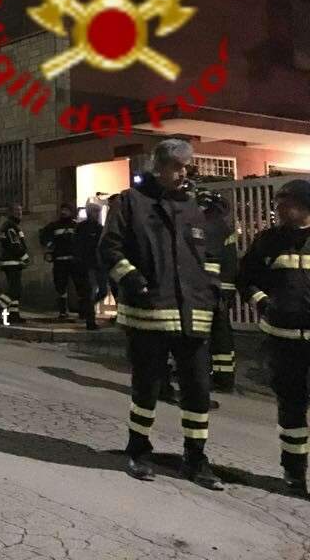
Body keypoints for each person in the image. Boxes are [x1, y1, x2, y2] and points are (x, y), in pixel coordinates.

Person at [99, 139, 222, 489]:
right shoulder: (131, 202)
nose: (183, 173)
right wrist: (133, 280)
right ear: (159, 167)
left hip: (193, 314)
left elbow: (210, 255)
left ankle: (196, 459)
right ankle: (139, 450)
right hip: (149, 313)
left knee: (198, 389)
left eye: (186, 167)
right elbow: (109, 248)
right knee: (147, 388)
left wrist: (210, 290)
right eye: (176, 167)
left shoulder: (194, 207)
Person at [237, 179, 310, 496]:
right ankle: (294, 474)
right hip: (282, 341)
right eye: (278, 203)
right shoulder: (267, 241)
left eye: (286, 203)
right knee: (291, 408)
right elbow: (245, 279)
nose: (279, 208)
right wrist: (263, 303)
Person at [196, 188, 237, 393]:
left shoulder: (200, 224)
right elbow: (230, 261)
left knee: (204, 333)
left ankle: (207, 373)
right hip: (220, 289)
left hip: (203, 290)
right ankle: (224, 376)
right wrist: (227, 290)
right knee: (221, 332)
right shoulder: (224, 227)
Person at [39, 204, 87, 320]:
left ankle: (83, 311)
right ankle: (62, 312)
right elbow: (43, 235)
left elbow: (82, 240)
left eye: (66, 210)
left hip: (74, 261)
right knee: (60, 286)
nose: (64, 212)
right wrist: (50, 245)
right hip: (59, 261)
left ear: (71, 212)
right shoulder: (54, 226)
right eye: (62, 210)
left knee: (80, 286)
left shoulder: (76, 225)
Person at [73, 203, 102, 330]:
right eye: (96, 212)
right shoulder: (82, 228)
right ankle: (90, 320)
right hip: (87, 265)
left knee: (102, 291)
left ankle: (86, 308)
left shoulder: (100, 228)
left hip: (98, 265)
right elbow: (77, 245)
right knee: (90, 292)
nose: (98, 214)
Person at [0, 203, 29, 324]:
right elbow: (15, 245)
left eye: (20, 210)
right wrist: (25, 257)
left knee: (16, 289)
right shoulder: (10, 226)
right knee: (15, 289)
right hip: (12, 262)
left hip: (12, 261)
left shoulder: (11, 226)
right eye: (16, 211)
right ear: (10, 212)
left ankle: (14, 314)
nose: (19, 213)